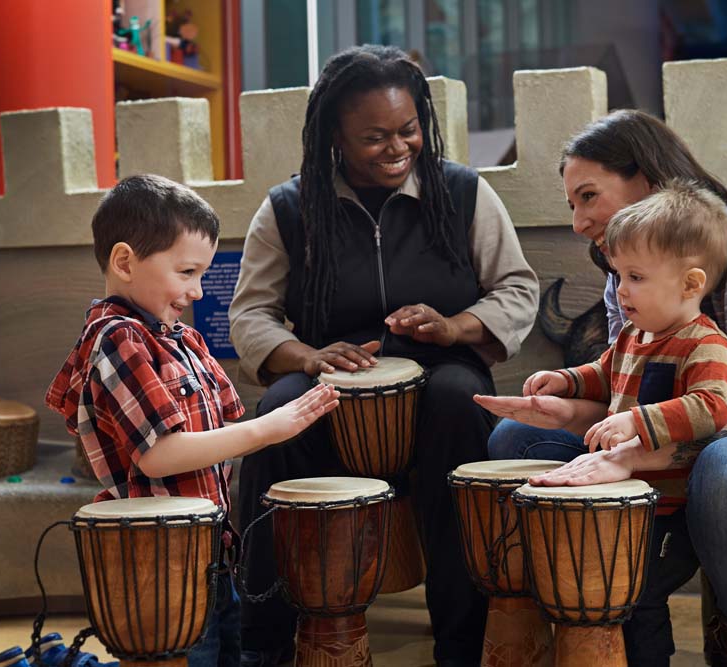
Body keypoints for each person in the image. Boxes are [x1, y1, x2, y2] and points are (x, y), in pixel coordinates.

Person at [477, 110, 727, 667]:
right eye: (571, 204)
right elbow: (629, 392)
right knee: (517, 438)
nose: (577, 222)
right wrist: (565, 408)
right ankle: (581, 619)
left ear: (645, 181)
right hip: (679, 474)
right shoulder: (624, 274)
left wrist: (632, 455)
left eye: (588, 196)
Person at [228, 44, 539, 667]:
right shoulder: (289, 208)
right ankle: (265, 641)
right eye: (374, 137)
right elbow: (250, 313)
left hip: (440, 374)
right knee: (279, 416)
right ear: (334, 138)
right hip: (328, 382)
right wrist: (306, 356)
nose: (398, 148)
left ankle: (465, 642)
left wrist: (455, 327)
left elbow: (518, 287)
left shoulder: (463, 193)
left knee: (459, 400)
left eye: (408, 130)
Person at [45, 174, 339, 667]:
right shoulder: (119, 339)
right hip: (164, 562)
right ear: (124, 261)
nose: (199, 291)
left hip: (210, 552)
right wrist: (269, 428)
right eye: (186, 272)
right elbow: (161, 456)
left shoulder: (180, 338)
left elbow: (217, 435)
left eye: (202, 274)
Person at [493, 179, 727, 519]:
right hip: (617, 490)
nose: (621, 290)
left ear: (689, 284)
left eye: (635, 277)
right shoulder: (632, 334)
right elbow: (606, 374)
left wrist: (637, 420)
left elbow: (712, 405)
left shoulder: (706, 345)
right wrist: (566, 381)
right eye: (619, 276)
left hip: (666, 506)